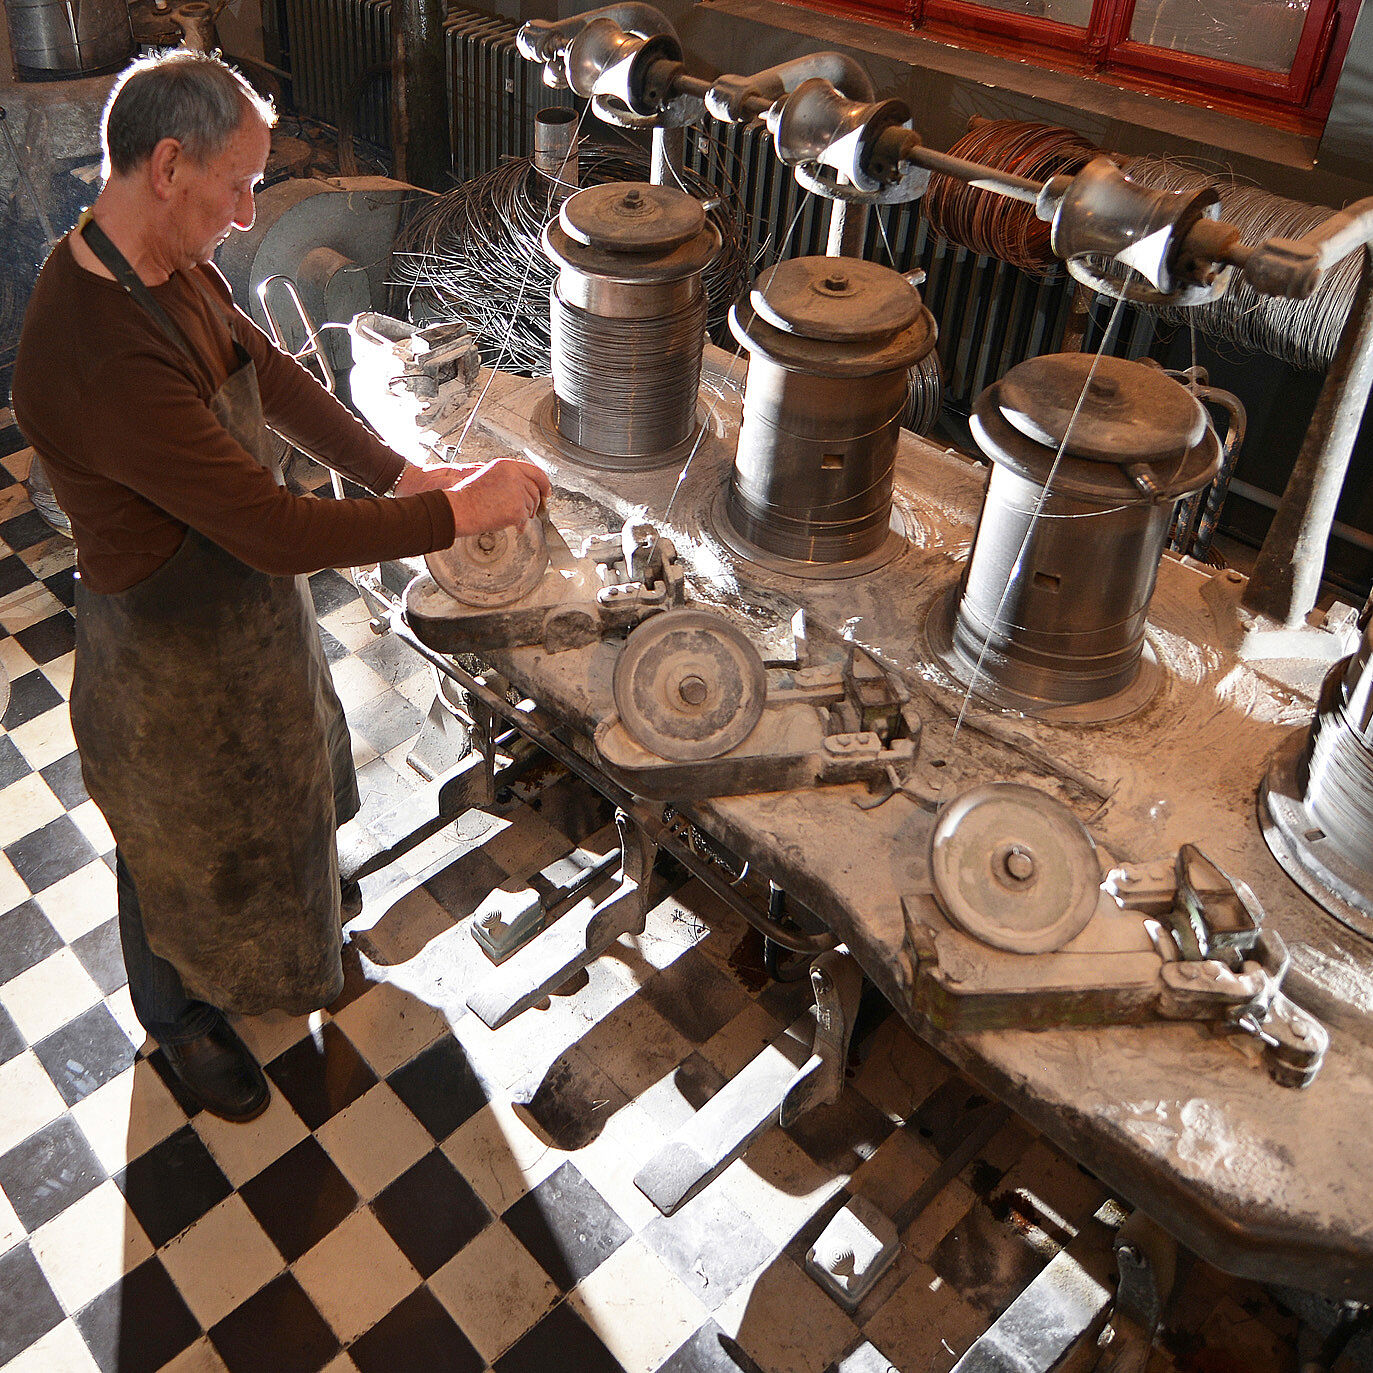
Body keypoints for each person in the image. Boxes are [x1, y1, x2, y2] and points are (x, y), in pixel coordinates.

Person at [11, 50, 550, 1123]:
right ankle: (178, 1019)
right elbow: (269, 526)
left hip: (246, 618)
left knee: (288, 772)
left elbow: (273, 377)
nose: (251, 206)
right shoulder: (99, 343)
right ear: (169, 165)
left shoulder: (173, 262)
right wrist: (459, 510)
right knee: (171, 841)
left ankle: (294, 926)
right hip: (169, 652)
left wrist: (403, 473)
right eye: (239, 182)